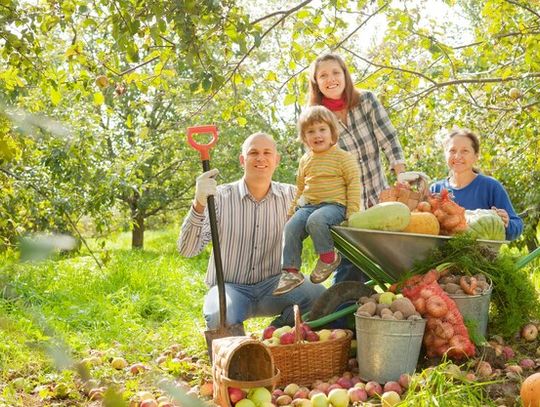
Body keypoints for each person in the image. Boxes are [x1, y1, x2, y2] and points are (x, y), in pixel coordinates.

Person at [177, 132, 326, 330]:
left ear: (276, 160)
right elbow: (187, 250)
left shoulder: (292, 196)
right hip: (230, 288)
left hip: (275, 285)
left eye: (267, 152)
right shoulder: (218, 198)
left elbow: (327, 205)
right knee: (218, 316)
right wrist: (198, 203)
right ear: (242, 160)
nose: (260, 158)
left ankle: (275, 334)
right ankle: (240, 355)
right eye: (253, 152)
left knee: (319, 297)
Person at [308, 52, 406, 282]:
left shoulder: (366, 101)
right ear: (316, 83)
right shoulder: (315, 119)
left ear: (345, 75)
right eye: (323, 75)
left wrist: (401, 178)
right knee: (351, 266)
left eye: (335, 72)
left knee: (393, 259)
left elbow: (389, 139)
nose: (331, 79)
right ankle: (342, 313)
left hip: (379, 197)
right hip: (346, 205)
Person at [273, 106, 361, 295]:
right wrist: (292, 210)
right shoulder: (306, 160)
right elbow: (301, 188)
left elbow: (354, 185)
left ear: (332, 133)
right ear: (304, 138)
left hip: (335, 206)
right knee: (291, 226)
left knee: (316, 220)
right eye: (310, 131)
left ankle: (328, 258)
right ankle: (290, 271)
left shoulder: (343, 158)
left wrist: (352, 212)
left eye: (322, 129)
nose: (317, 135)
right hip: (310, 205)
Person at [430, 128, 523, 241]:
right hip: (440, 256)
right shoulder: (436, 188)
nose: (458, 156)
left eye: (465, 151)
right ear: (445, 154)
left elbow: (517, 226)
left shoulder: (491, 187)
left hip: (481, 256)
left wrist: (507, 223)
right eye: (452, 150)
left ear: (476, 156)